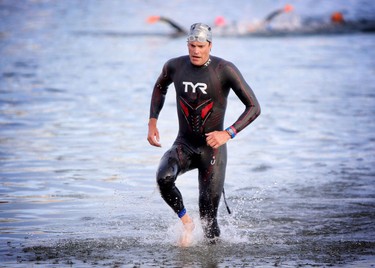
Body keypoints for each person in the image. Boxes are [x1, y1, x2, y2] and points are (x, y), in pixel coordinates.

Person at [147, 23, 261, 246]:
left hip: (213, 150)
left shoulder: (224, 69)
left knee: (209, 221)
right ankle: (187, 222)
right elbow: (160, 86)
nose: (196, 51)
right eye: (192, 45)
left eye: (200, 46)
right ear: (187, 44)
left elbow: (254, 107)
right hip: (185, 144)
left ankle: (213, 258)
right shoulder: (175, 66)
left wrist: (228, 133)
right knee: (164, 178)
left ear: (210, 45)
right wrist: (153, 122)